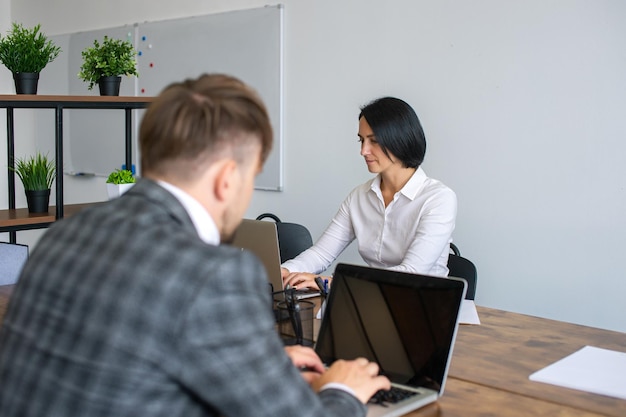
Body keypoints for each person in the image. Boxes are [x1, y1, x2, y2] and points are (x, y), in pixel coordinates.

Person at [0, 74, 389, 417]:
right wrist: (343, 391)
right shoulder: (215, 273)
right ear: (226, 179)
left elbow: (122, 367)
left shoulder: (63, 235)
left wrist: (255, 371)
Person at [282, 97, 457, 290]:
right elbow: (321, 253)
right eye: (361, 140)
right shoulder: (359, 196)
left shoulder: (438, 199)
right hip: (370, 300)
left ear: (399, 139)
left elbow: (411, 273)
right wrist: (284, 271)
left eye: (374, 141)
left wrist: (330, 283)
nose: (363, 151)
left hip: (422, 303)